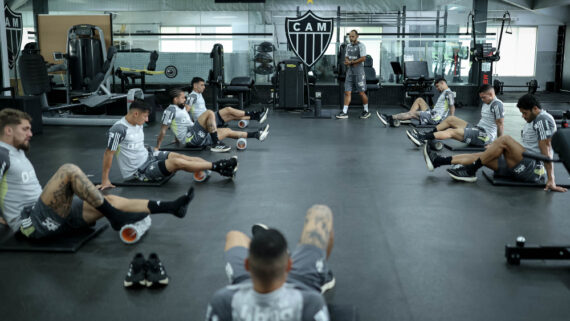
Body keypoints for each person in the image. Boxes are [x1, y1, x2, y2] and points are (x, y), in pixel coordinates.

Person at [0, 108, 195, 239]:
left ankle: (171, 207)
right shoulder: (1, 153)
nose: (30, 133)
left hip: (47, 213)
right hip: (29, 225)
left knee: (110, 200)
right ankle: (116, 218)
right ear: (8, 130)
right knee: (68, 170)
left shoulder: (16, 151)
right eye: (25, 129)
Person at [206, 205, 336, 321]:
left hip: (247, 282)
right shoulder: (310, 303)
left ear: (247, 265)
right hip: (300, 280)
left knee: (234, 235)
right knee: (321, 212)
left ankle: (269, 251)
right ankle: (320, 274)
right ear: (290, 265)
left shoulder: (223, 301)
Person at [422, 94, 567, 193]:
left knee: (504, 140)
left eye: (525, 113)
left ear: (535, 109)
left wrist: (551, 179)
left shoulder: (542, 119)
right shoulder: (533, 120)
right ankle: (439, 161)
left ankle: (471, 170)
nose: (523, 116)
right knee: (484, 155)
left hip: (533, 168)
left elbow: (547, 149)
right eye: (522, 113)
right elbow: (527, 146)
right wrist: (496, 147)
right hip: (521, 165)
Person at [101, 100, 238, 190]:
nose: (147, 119)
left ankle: (221, 169)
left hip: (149, 155)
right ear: (136, 114)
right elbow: (109, 154)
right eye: (145, 116)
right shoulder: (118, 129)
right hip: (139, 171)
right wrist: (105, 180)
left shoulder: (137, 122)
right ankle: (221, 165)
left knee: (179, 155)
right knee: (177, 163)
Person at [157, 88, 269, 152]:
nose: (185, 99)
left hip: (196, 136)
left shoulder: (179, 108)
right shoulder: (170, 110)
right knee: (209, 112)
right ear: (175, 99)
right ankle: (216, 144)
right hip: (191, 138)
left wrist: (177, 139)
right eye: (182, 97)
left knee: (228, 131)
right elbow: (163, 129)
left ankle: (256, 134)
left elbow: (178, 124)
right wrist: (158, 147)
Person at [406, 84, 504, 147]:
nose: (482, 99)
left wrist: (497, 144)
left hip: (485, 136)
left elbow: (500, 125)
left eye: (484, 97)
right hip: (478, 129)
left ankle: (422, 138)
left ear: (491, 94)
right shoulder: (487, 102)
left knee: (451, 131)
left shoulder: (496, 104)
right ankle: (428, 134)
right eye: (481, 98)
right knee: (451, 119)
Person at [187, 77, 268, 126]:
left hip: (208, 118)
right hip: (204, 120)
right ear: (195, 85)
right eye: (202, 85)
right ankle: (254, 113)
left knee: (231, 116)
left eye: (204, 85)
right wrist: (191, 125)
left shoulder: (198, 94)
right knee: (228, 109)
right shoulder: (192, 96)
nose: (204, 87)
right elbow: (185, 111)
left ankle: (256, 117)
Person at [378, 78, 455, 127]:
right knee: (419, 100)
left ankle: (388, 118)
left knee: (412, 114)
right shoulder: (445, 92)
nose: (437, 88)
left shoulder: (449, 93)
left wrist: (451, 118)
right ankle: (408, 116)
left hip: (435, 118)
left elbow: (452, 105)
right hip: (432, 113)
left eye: (438, 86)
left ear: (443, 83)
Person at [336, 30, 370, 119]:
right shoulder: (348, 46)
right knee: (347, 92)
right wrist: (347, 61)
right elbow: (346, 56)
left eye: (352, 36)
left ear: (357, 36)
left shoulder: (361, 46)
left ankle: (366, 110)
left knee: (361, 93)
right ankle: (344, 112)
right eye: (350, 36)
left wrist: (352, 62)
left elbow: (363, 58)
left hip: (359, 72)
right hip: (350, 72)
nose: (351, 38)